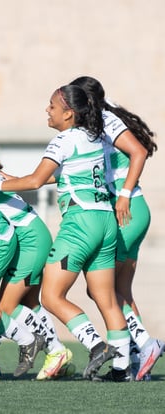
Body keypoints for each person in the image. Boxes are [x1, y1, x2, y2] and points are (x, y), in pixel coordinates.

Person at [0, 84, 131, 381]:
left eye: (51, 106)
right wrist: (13, 178)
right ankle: (123, 368)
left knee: (50, 296)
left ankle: (96, 345)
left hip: (80, 224)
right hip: (105, 222)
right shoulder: (95, 137)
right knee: (108, 298)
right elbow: (60, 176)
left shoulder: (63, 140)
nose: (47, 110)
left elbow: (37, 181)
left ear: (69, 113)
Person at [70, 76, 163, 381]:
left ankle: (146, 345)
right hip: (131, 211)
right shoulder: (105, 114)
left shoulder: (105, 118)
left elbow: (139, 152)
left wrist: (123, 194)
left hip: (126, 210)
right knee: (116, 290)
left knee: (103, 290)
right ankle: (137, 361)